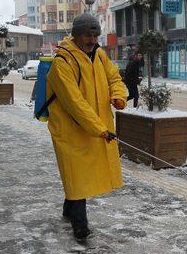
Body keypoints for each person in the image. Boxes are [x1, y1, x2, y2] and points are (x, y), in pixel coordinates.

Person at [46, 13, 128, 241]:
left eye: (95, 35)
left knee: (78, 176)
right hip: (70, 129)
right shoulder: (63, 63)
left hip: (95, 126)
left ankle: (68, 209)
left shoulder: (100, 56)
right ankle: (80, 226)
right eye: (87, 35)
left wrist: (119, 96)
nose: (92, 40)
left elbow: (115, 79)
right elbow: (74, 103)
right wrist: (99, 128)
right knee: (76, 173)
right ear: (76, 35)